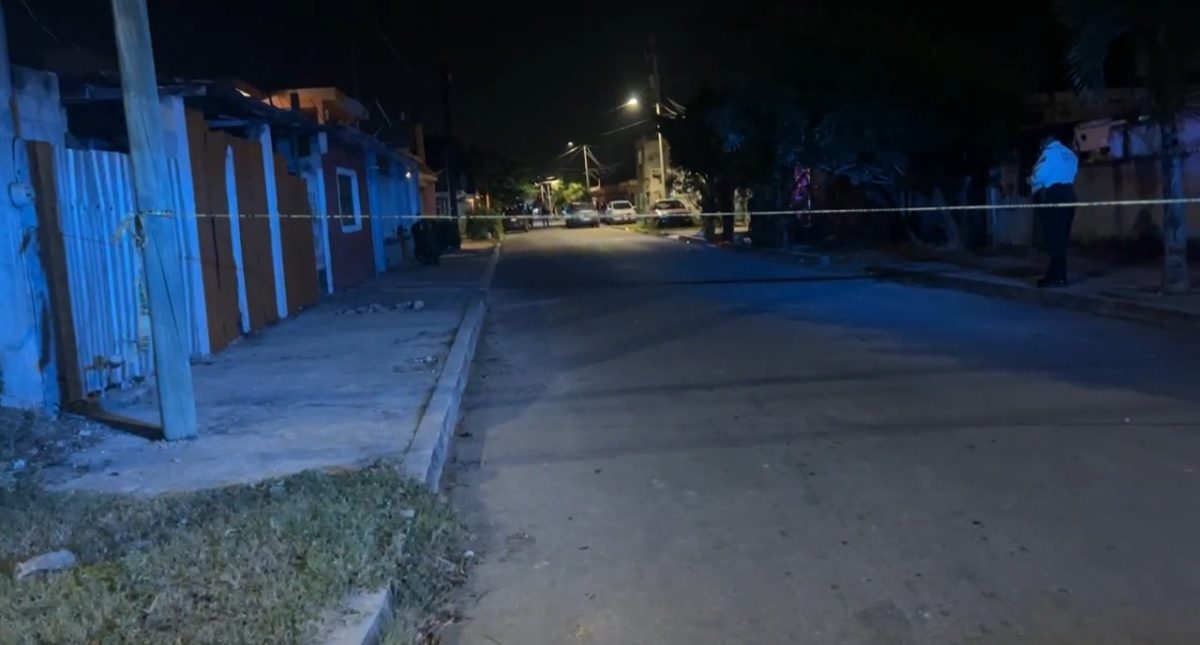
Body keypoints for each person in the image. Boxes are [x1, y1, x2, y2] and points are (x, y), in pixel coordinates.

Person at [1029, 135, 1079, 288]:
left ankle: (1057, 276)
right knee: (1062, 237)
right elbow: (1074, 171)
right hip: (1069, 194)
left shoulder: (1049, 153)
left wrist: (1030, 179)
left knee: (1052, 237)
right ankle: (1057, 274)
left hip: (1052, 195)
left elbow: (1039, 175)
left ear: (1046, 141)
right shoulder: (1070, 153)